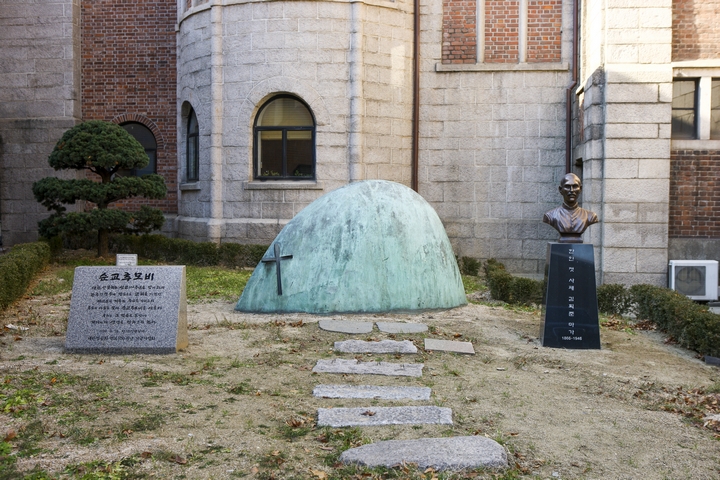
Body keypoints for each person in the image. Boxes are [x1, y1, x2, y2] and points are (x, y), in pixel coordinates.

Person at [543, 173, 598, 243]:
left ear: (580, 189)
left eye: (575, 186)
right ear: (560, 189)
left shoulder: (591, 216)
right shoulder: (550, 215)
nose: (571, 190)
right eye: (567, 186)